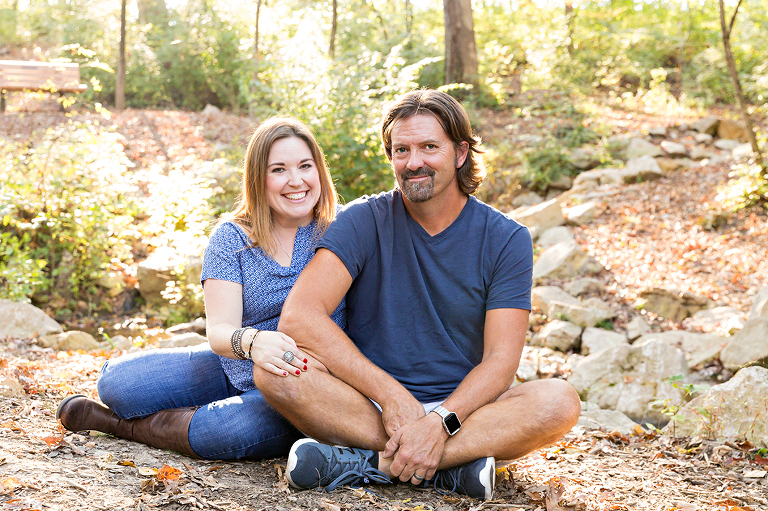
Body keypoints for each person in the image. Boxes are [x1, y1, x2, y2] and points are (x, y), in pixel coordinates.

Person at [251, 90, 581, 500]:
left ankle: (375, 465)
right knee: (274, 371)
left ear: (460, 153)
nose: (414, 162)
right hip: (368, 404)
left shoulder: (505, 239)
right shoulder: (363, 220)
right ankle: (450, 469)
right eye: (401, 150)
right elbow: (300, 317)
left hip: (463, 414)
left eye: (429, 147)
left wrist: (440, 422)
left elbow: (500, 361)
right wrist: (390, 396)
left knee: (559, 401)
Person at [56, 117, 345, 461]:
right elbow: (220, 331)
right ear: (258, 178)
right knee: (117, 384)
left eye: (305, 166)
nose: (295, 180)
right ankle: (186, 411)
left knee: (221, 430)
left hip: (298, 386)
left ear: (319, 171)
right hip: (234, 364)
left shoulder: (342, 230)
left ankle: (121, 426)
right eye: (278, 170)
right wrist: (254, 342)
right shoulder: (233, 237)